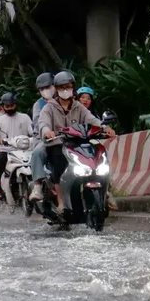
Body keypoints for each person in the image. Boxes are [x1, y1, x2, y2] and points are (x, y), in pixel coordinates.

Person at [31, 71, 115, 213]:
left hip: (77, 144)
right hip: (57, 144)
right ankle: (61, 202)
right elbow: (43, 123)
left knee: (99, 153)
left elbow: (91, 119)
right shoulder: (48, 107)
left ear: (73, 87)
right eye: (62, 87)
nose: (65, 90)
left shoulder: (78, 106)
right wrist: (47, 131)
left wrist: (104, 127)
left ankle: (106, 191)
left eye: (68, 86)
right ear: (56, 89)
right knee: (57, 161)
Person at [0, 92, 34, 200]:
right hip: (6, 151)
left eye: (11, 105)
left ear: (16, 104)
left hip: (24, 150)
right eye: (7, 106)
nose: (9, 108)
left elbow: (33, 132)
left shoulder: (25, 117)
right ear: (3, 107)